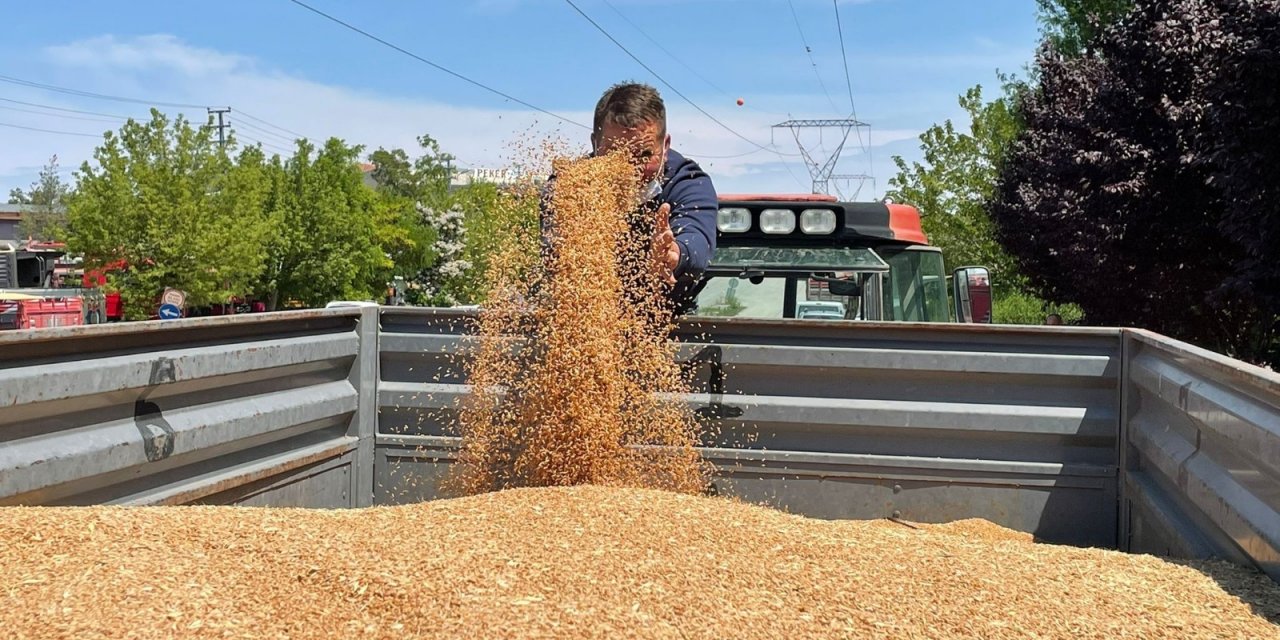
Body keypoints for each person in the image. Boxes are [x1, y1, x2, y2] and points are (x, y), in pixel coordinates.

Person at [540, 81, 718, 314]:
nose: (629, 169)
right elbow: (555, 254)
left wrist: (674, 253)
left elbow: (697, 239)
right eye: (614, 155)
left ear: (665, 146)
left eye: (644, 154)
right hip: (585, 319)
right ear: (595, 145)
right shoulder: (569, 188)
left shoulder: (688, 182)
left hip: (666, 321)